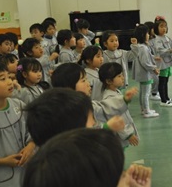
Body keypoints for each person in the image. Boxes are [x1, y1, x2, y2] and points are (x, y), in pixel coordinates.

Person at [23, 89, 151, 187]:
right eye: (92, 123)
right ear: (73, 132)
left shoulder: (41, 169)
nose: (96, 126)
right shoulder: (86, 168)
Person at [0, 60, 35, 187]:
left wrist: (31, 145)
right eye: (2, 79)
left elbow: (33, 129)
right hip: (1, 181)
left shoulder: (19, 105)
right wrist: (2, 161)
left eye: (9, 77)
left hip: (26, 173)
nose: (10, 82)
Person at [51, 63, 134, 132]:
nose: (88, 84)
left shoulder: (84, 103)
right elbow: (84, 134)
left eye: (86, 79)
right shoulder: (67, 111)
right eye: (83, 81)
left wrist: (124, 99)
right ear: (68, 88)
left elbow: (103, 108)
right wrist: (106, 127)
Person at [99, 62, 139, 148]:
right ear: (109, 81)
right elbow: (116, 119)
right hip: (120, 137)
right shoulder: (108, 98)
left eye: (122, 75)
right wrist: (128, 134)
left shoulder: (116, 91)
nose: (123, 78)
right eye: (119, 76)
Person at [153, 16, 172, 107]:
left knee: (166, 81)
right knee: (162, 82)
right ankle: (163, 100)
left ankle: (166, 98)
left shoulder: (167, 38)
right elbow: (160, 51)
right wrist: (171, 50)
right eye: (161, 26)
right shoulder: (157, 39)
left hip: (168, 63)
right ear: (156, 28)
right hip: (162, 64)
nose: (164, 28)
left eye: (165, 26)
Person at [132, 24, 160, 118]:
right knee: (146, 93)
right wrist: (153, 69)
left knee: (143, 92)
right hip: (145, 73)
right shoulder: (143, 48)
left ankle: (143, 109)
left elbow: (146, 57)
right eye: (147, 33)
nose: (148, 35)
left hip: (141, 73)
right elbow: (145, 62)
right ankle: (147, 111)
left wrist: (154, 57)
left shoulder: (141, 46)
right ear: (143, 35)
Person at [144, 21, 161, 101]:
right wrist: (154, 57)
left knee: (157, 77)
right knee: (155, 78)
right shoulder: (146, 42)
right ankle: (153, 94)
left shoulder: (154, 38)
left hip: (155, 62)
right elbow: (148, 54)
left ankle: (155, 91)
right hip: (150, 62)